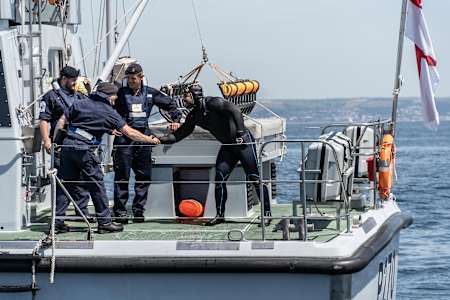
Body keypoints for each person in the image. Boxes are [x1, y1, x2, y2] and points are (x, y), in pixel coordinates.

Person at [54, 82, 161, 233]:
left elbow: (61, 122)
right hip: (84, 150)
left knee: (66, 185)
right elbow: (130, 133)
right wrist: (150, 140)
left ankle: (57, 222)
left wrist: (56, 144)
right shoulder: (109, 111)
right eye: (115, 97)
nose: (115, 100)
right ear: (109, 96)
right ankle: (104, 222)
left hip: (67, 147)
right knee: (97, 186)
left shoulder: (79, 103)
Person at [159, 85, 272, 226]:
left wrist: (241, 133)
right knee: (219, 178)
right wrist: (158, 139)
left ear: (195, 95)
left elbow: (235, 110)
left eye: (186, 96)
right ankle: (220, 216)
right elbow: (179, 135)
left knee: (254, 178)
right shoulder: (194, 115)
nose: (183, 99)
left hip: (243, 143)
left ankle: (267, 214)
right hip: (227, 146)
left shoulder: (213, 102)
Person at [112, 63, 181, 223]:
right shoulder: (120, 93)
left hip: (143, 138)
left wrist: (176, 120)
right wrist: (109, 127)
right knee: (122, 176)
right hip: (124, 139)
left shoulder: (150, 93)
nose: (131, 81)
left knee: (144, 176)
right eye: (128, 78)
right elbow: (105, 108)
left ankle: (138, 210)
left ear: (141, 77)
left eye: (134, 78)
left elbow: (170, 104)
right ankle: (120, 212)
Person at [38, 66, 91, 220]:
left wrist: (89, 89)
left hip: (79, 143)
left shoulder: (80, 96)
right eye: (73, 80)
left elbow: (92, 110)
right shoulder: (51, 97)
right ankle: (59, 217)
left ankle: (82, 211)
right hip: (60, 144)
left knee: (81, 178)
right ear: (64, 79)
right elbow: (44, 119)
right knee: (63, 180)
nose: (75, 83)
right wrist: (47, 140)